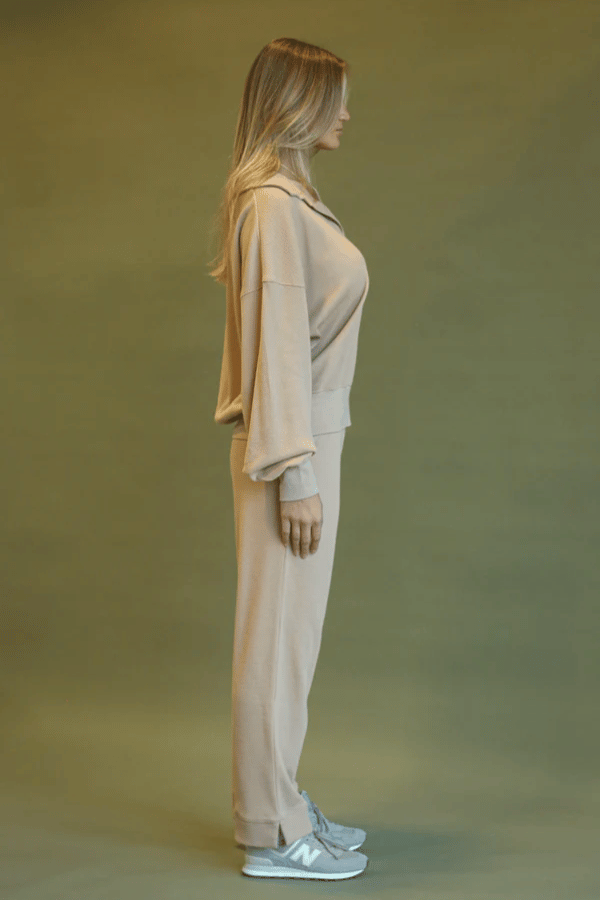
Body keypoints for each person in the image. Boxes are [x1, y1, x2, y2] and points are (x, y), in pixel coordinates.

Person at [209, 36, 370, 881]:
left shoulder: (291, 198)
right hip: (291, 448)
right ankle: (269, 834)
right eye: (336, 97)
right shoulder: (272, 205)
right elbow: (276, 348)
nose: (347, 113)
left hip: (309, 437)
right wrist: (295, 474)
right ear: (299, 103)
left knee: (292, 643)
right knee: (274, 645)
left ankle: (285, 803)